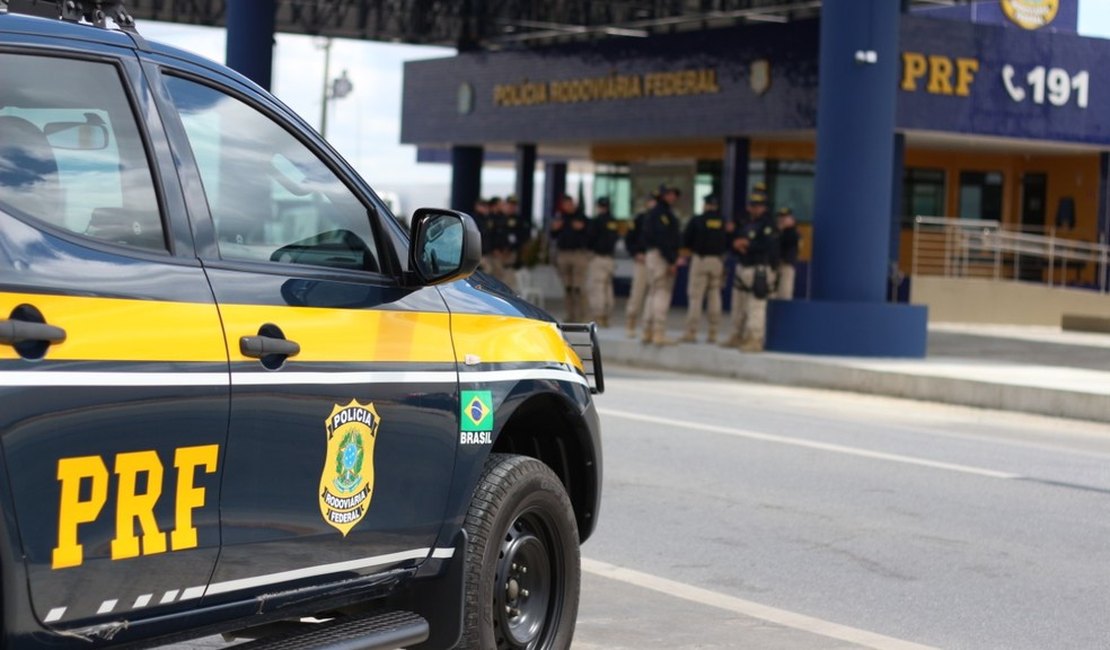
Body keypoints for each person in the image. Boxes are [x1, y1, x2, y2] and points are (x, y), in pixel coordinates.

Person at [722, 192, 780, 352]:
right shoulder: (745, 222)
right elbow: (735, 241)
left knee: (756, 305)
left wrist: (748, 244)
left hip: (759, 268)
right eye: (753, 205)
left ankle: (755, 339)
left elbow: (769, 246)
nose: (756, 208)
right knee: (739, 304)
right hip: (743, 266)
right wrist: (738, 243)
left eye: (759, 206)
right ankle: (737, 335)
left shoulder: (768, 224)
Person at [680, 193, 730, 343]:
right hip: (718, 261)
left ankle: (691, 331)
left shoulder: (698, 220)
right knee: (715, 295)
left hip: (700, 260)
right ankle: (713, 332)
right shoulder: (723, 221)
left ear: (706, 204)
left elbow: (685, 239)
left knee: (696, 297)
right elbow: (728, 241)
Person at [642, 185, 682, 345]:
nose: (673, 198)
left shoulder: (653, 213)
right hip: (661, 257)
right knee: (661, 293)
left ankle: (647, 331)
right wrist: (672, 260)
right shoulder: (662, 215)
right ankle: (658, 332)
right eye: (670, 194)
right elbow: (663, 239)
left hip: (653, 255)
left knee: (652, 293)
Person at [550, 193, 591, 321]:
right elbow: (553, 234)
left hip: (578, 254)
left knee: (578, 287)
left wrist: (581, 228)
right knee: (567, 287)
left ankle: (583, 315)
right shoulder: (560, 217)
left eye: (570, 203)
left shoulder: (581, 216)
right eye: (565, 204)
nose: (568, 206)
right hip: (563, 254)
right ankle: (570, 315)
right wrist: (555, 228)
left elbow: (590, 233)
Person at [623, 192, 655, 338]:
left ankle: (649, 327)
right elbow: (629, 239)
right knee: (637, 292)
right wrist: (636, 253)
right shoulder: (639, 219)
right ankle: (631, 323)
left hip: (656, 260)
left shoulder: (661, 219)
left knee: (654, 295)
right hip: (642, 260)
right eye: (650, 201)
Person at [586, 197, 620, 327]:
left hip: (598, 258)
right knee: (608, 288)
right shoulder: (613, 222)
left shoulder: (596, 221)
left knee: (597, 287)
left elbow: (590, 238)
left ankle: (599, 315)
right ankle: (607, 314)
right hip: (610, 259)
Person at [776, 206, 800, 300]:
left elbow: (784, 241)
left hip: (786, 264)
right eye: (780, 217)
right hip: (774, 265)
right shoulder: (775, 230)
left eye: (785, 217)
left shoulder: (793, 232)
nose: (782, 219)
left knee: (785, 292)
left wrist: (781, 230)